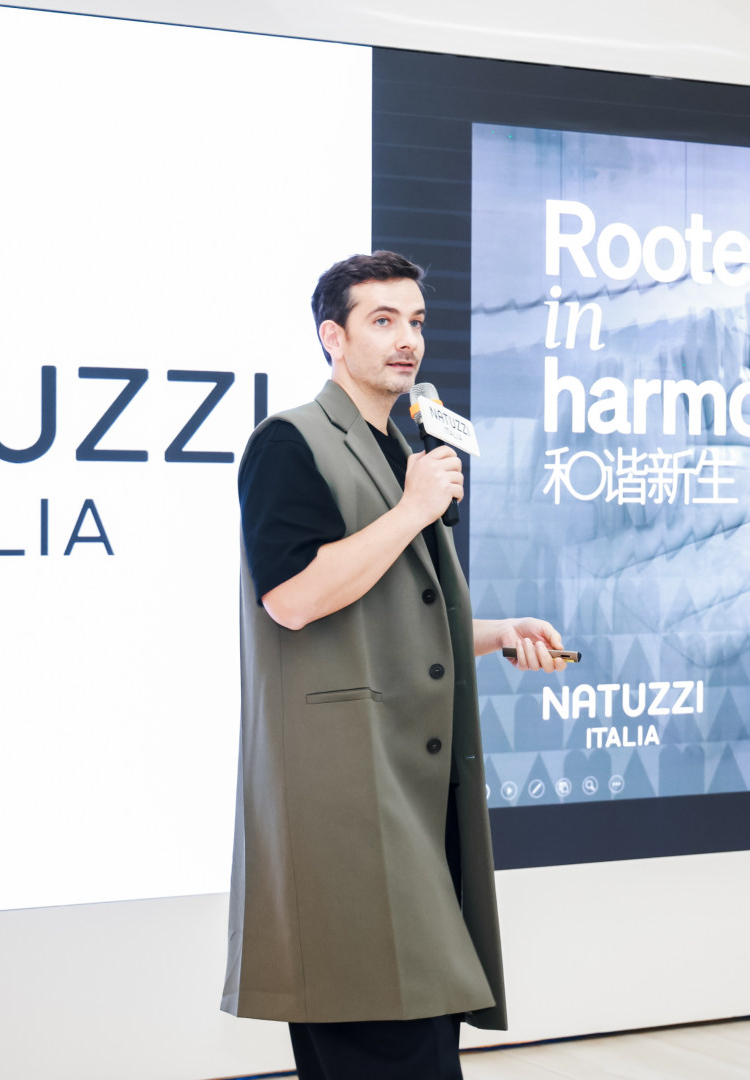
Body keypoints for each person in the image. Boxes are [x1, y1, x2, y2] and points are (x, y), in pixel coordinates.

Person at [221, 250, 568, 1079]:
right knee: (381, 1031)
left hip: (411, 783)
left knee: (414, 1028)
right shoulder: (290, 443)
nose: (407, 339)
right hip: (346, 791)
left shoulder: (401, 447)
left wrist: (496, 632)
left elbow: (389, 611)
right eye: (382, 321)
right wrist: (414, 509)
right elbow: (293, 598)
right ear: (332, 337)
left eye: (415, 321)